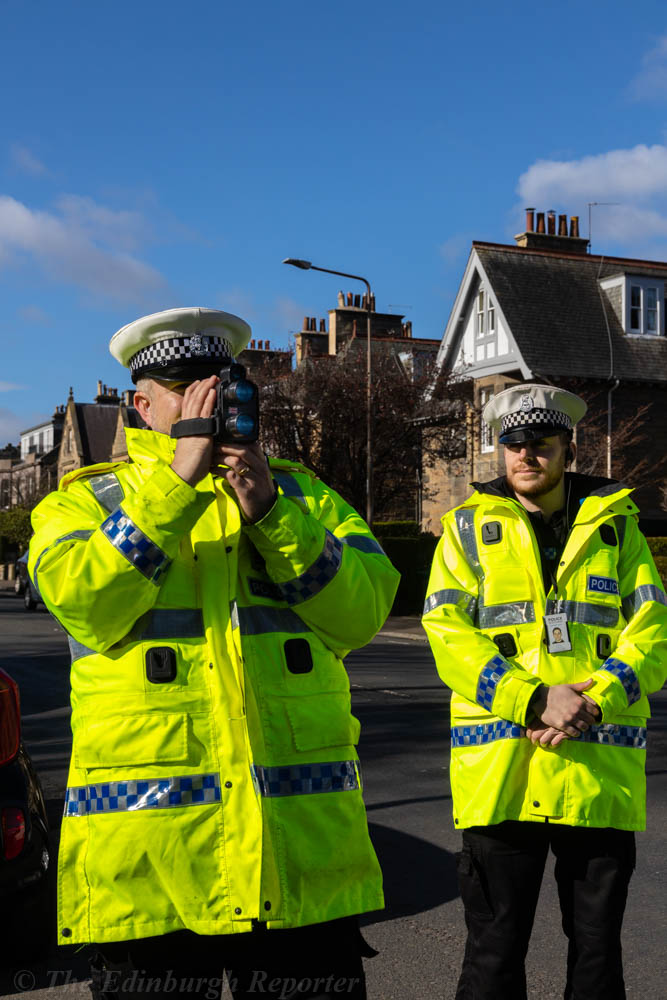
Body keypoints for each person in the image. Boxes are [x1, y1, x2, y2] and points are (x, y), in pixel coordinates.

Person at [29, 307, 400, 999]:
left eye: (220, 380)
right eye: (185, 385)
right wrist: (176, 483)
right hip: (151, 873)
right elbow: (85, 603)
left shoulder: (301, 495)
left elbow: (360, 615)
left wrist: (271, 513)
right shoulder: (80, 505)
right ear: (140, 404)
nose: (210, 396)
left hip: (299, 864)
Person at [422, 383, 667, 1000]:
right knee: (493, 954)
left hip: (594, 771)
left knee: (596, 956)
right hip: (503, 771)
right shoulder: (465, 529)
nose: (525, 455)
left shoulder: (619, 529)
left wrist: (594, 701)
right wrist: (533, 699)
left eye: (540, 444)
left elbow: (654, 634)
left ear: (568, 449)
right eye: (512, 444)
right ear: (500, 450)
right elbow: (448, 634)